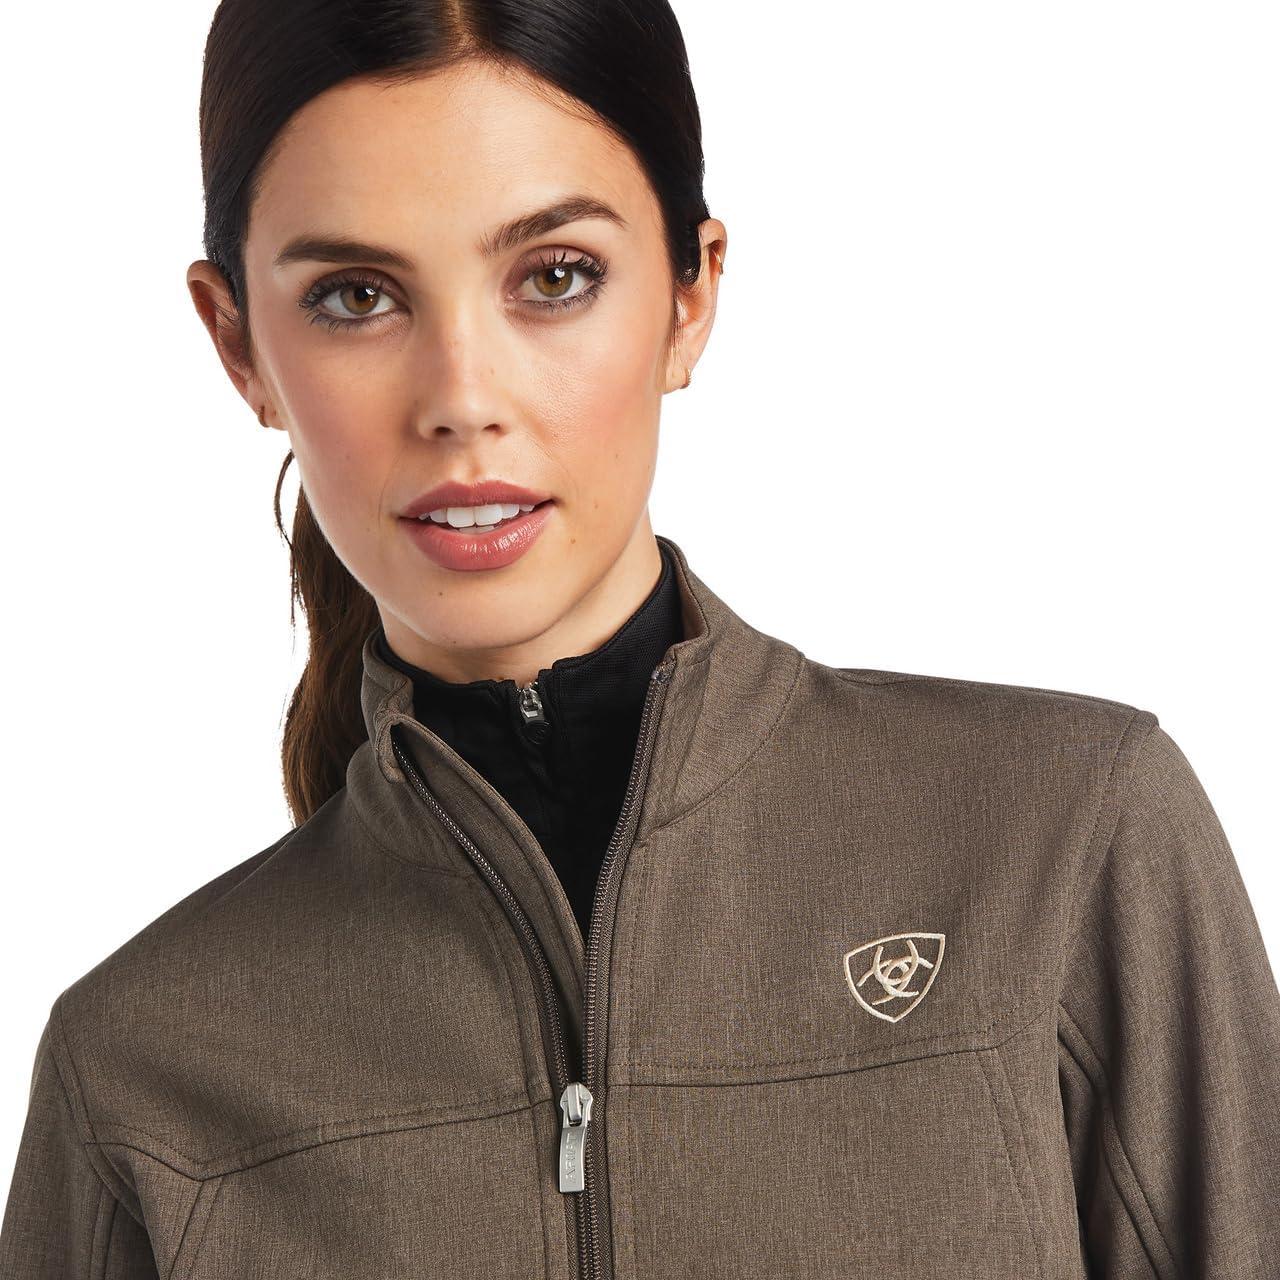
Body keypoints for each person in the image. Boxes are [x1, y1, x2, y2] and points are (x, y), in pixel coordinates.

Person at [3, 1, 1278, 1275]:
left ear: (689, 294)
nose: (461, 400)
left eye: (553, 277)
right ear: (237, 344)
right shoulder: (139, 1071)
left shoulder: (1058, 840)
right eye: (355, 295)